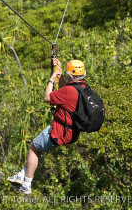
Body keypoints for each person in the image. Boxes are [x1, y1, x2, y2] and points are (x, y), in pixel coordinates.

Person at [7, 58, 87, 195]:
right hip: (71, 132)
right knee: (37, 147)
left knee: (34, 148)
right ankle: (22, 174)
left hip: (59, 132)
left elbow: (48, 97)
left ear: (70, 75)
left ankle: (26, 183)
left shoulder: (70, 91)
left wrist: (51, 80)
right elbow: (64, 90)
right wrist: (60, 73)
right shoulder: (81, 89)